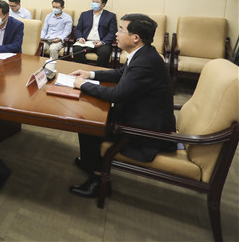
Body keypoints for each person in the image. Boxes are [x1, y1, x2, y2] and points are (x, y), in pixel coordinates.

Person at [68, 14, 176, 198]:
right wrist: (90, 74)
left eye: (121, 30)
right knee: (89, 117)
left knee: (88, 122)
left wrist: (83, 85)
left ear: (136, 38)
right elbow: (120, 73)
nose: (116, 34)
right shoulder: (144, 53)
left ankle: (98, 180)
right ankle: (90, 161)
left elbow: (116, 94)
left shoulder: (145, 62)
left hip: (144, 130)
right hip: (139, 113)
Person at [72, 0, 117, 67]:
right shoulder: (84, 14)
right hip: (86, 42)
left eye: (97, 2)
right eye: (93, 2)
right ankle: (83, 70)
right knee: (77, 50)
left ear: (103, 4)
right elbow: (78, 29)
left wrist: (102, 42)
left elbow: (112, 32)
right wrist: (80, 38)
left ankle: (98, 72)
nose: (94, 4)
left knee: (105, 53)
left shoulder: (111, 16)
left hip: (101, 44)